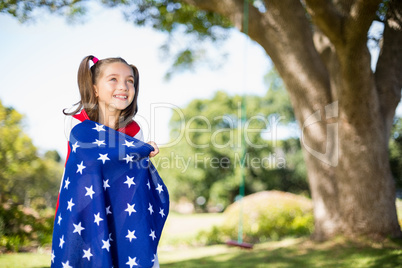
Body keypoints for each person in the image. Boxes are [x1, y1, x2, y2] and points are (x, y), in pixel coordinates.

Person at [51, 55, 169, 268]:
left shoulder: (135, 131)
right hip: (83, 213)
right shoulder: (77, 123)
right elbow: (92, 156)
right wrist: (131, 149)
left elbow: (132, 176)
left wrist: (142, 152)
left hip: (123, 215)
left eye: (130, 81)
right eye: (113, 79)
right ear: (95, 88)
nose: (123, 86)